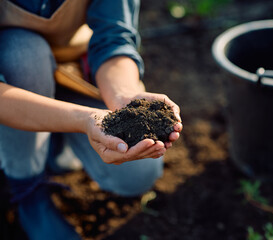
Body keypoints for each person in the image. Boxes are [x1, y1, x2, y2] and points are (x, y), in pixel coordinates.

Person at [0, 0, 182, 239]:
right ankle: (27, 188)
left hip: (72, 70)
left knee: (136, 174)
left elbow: (113, 38)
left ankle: (52, 145)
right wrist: (83, 120)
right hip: (12, 81)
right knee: (22, 53)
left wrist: (123, 96)